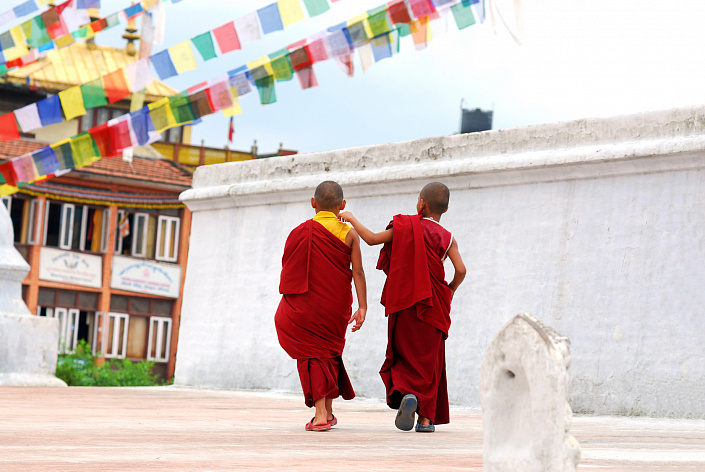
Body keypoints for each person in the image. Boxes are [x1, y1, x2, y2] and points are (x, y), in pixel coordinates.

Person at [340, 182, 466, 433]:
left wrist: (352, 218)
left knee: (404, 355)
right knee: (430, 361)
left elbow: (373, 239)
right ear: (447, 209)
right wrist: (449, 289)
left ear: (421, 203)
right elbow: (461, 270)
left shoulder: (404, 227)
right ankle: (426, 420)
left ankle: (408, 393)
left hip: (405, 302)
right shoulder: (447, 237)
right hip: (433, 304)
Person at [275, 181, 367, 432]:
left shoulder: (299, 231)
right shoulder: (348, 233)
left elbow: (288, 269)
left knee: (313, 352)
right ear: (343, 205)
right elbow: (357, 271)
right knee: (326, 352)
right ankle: (327, 409)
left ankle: (320, 416)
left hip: (306, 303)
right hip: (336, 304)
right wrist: (363, 307)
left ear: (313, 203)